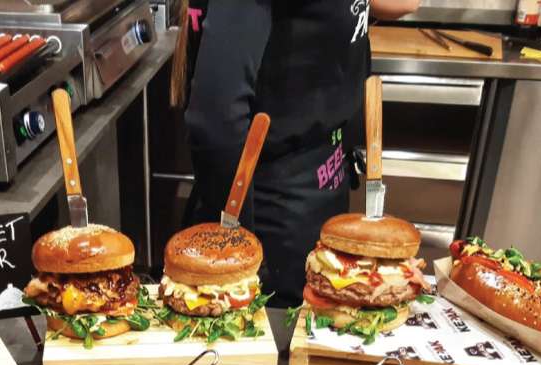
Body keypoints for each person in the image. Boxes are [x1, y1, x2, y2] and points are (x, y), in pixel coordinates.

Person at [171, 0, 421, 308]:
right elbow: (215, 119)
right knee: (273, 347)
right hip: (272, 215)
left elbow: (402, 3)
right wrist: (242, 255)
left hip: (322, 183)